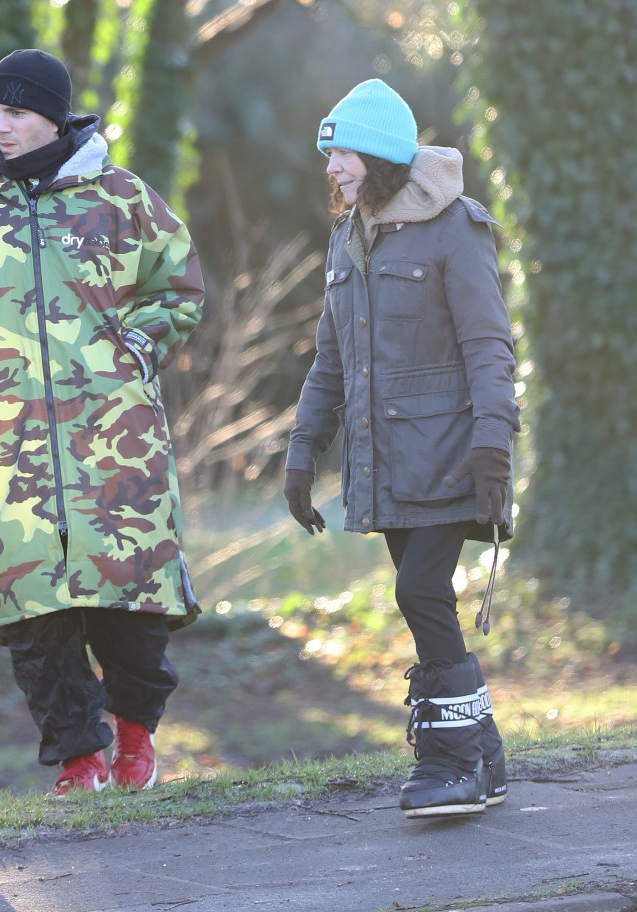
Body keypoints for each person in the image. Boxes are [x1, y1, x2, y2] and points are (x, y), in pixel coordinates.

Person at [0, 49, 204, 797]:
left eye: (18, 112)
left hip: (114, 444)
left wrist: (135, 342)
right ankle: (77, 758)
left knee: (129, 601)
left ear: (54, 116)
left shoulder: (121, 197)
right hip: (2, 452)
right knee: (34, 615)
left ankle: (133, 738)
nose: (4, 127)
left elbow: (182, 284)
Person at [283, 79, 519, 818]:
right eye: (330, 156)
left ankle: (450, 764)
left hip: (452, 454)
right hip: (385, 464)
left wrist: (493, 445)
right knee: (428, 604)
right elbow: (331, 358)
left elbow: (489, 346)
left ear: (380, 155)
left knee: (418, 593)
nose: (333, 168)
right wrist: (302, 449)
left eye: (344, 153)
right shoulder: (350, 236)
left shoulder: (457, 228)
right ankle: (482, 754)